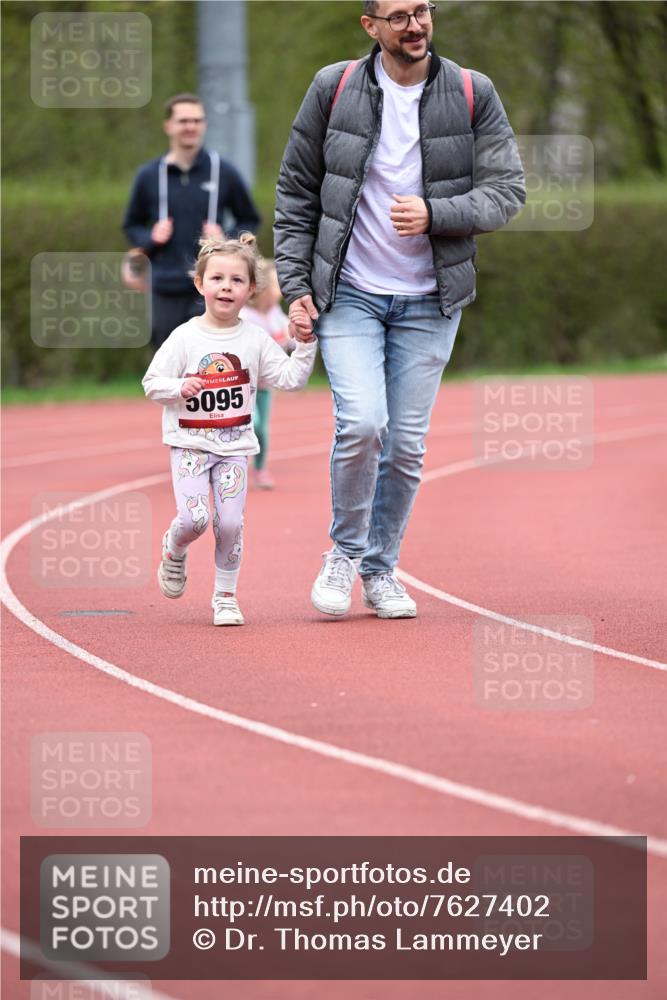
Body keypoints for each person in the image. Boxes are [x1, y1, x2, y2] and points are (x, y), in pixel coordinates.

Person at [275, 1, 525, 620]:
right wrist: (295, 282)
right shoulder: (333, 87)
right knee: (363, 424)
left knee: (406, 446)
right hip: (350, 291)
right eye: (398, 16)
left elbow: (507, 192)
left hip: (431, 300)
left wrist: (437, 214)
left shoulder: (472, 91)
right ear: (371, 26)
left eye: (422, 11)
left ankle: (380, 568)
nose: (414, 25)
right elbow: (297, 191)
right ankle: (343, 553)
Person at [142, 234, 317, 626]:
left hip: (234, 449)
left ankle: (225, 597)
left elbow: (290, 379)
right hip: (189, 446)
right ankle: (174, 548)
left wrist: (305, 345)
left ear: (251, 289)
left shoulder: (255, 339)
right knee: (194, 519)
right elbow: (152, 383)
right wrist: (179, 388)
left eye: (237, 280)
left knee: (231, 524)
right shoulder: (185, 337)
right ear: (199, 284)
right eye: (217, 278)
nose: (226, 287)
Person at [124, 93, 261, 347]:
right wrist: (151, 238)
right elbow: (131, 225)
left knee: (213, 357)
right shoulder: (148, 175)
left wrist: (226, 239)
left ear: (204, 125)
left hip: (213, 286)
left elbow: (250, 219)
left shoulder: (224, 171)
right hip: (166, 285)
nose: (191, 126)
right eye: (184, 121)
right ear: (168, 125)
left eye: (197, 121)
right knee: (169, 359)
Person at [240, 259, 295, 490]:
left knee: (262, 429)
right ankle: (231, 466)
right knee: (252, 423)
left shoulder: (275, 314)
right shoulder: (245, 317)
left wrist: (296, 336)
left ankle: (260, 469)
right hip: (244, 387)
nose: (280, 291)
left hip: (265, 386)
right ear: (261, 290)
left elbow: (290, 338)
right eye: (275, 285)